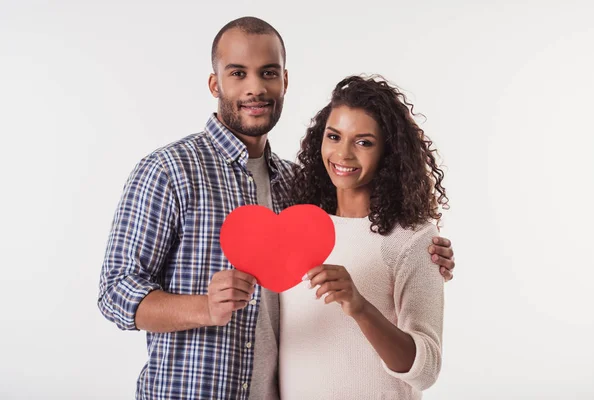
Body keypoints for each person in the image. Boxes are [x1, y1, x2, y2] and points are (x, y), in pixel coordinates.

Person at [97, 17, 455, 400]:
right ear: (215, 83)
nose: (255, 88)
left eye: (267, 73)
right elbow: (115, 293)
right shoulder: (169, 171)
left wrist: (424, 257)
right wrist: (205, 308)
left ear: (284, 81)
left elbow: (362, 237)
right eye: (238, 73)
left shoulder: (296, 186)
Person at [280, 75, 447, 399]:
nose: (343, 154)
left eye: (363, 141)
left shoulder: (412, 238)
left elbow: (426, 371)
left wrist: (359, 306)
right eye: (334, 136)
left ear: (389, 151)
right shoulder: (297, 224)